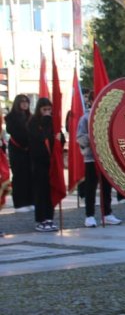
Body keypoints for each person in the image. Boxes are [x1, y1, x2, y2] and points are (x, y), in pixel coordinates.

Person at [75, 92, 122, 227]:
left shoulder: (108, 117)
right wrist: (94, 137)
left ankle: (107, 213)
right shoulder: (86, 118)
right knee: (91, 187)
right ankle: (89, 215)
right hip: (91, 158)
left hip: (106, 157)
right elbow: (80, 137)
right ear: (90, 101)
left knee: (106, 187)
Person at [27, 98, 60, 232]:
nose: (47, 112)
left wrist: (60, 139)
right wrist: (46, 122)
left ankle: (50, 217)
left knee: (50, 191)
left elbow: (57, 137)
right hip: (39, 161)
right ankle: (41, 219)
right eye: (44, 109)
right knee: (41, 192)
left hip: (51, 162)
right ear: (39, 110)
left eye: (49, 109)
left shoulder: (53, 122)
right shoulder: (33, 123)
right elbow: (41, 138)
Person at [5, 94, 33, 210]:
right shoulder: (11, 117)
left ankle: (30, 201)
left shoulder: (31, 117)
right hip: (17, 149)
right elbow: (12, 131)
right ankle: (19, 203)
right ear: (17, 103)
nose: (25, 104)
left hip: (29, 150)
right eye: (22, 102)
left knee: (30, 175)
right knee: (19, 176)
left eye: (26, 101)